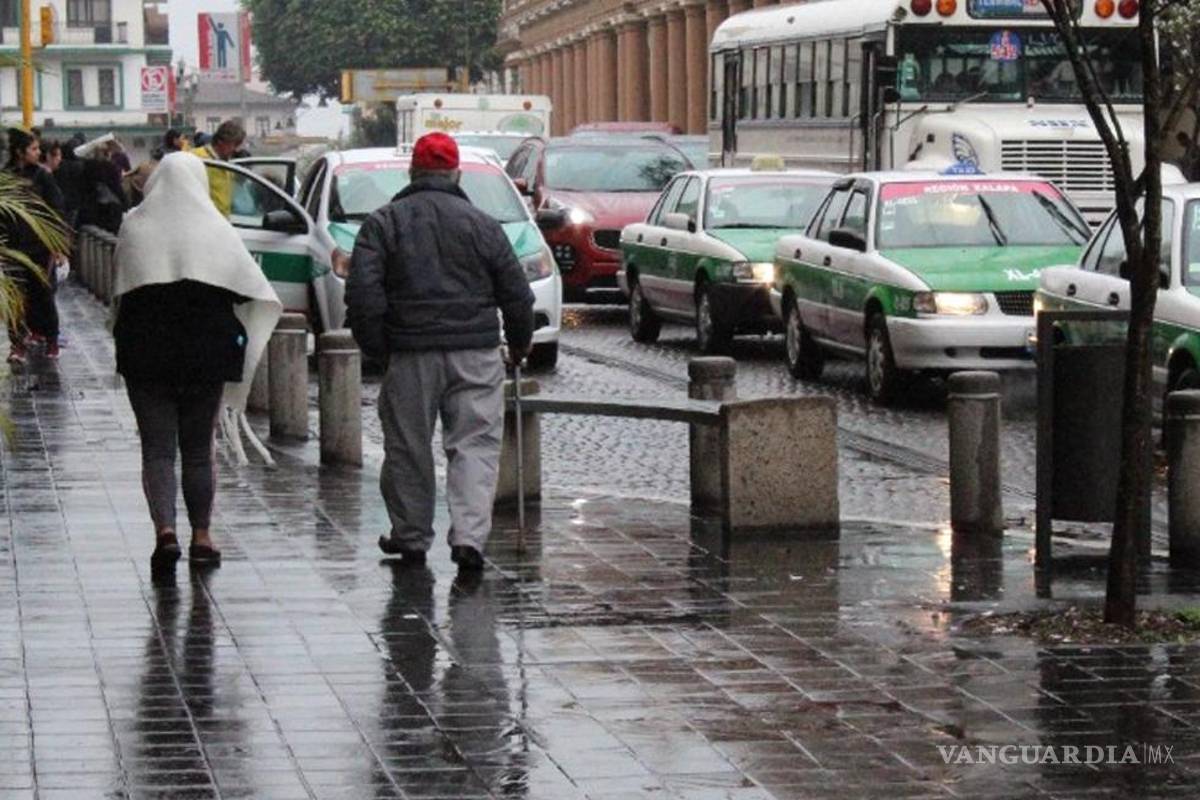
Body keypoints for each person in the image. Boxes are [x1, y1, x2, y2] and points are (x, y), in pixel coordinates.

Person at [346, 132, 534, 573]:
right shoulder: (482, 223)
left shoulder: (383, 223)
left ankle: (411, 536)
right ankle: (469, 538)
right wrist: (520, 342)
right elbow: (516, 292)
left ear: (412, 172)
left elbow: (363, 293)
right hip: (476, 351)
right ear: (456, 173)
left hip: (410, 352)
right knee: (475, 446)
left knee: (408, 446)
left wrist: (378, 348)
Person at [112, 152, 281, 582]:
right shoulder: (216, 229)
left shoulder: (135, 225)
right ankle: (202, 536)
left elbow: (122, 287)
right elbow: (249, 288)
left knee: (157, 448)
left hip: (145, 353)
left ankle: (165, 532)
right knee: (198, 450)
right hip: (205, 356)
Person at [3, 128, 67, 365]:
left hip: (39, 247)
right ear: (20, 152)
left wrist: (56, 244)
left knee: (43, 294)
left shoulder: (43, 177)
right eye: (34, 149)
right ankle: (17, 344)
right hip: (12, 248)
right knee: (15, 298)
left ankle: (52, 338)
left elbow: (57, 209)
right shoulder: (5, 176)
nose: (38, 152)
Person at [190, 120, 245, 217]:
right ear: (221, 142)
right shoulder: (197, 158)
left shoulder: (227, 163)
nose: (236, 150)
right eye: (234, 144)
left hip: (222, 223)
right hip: (204, 221)